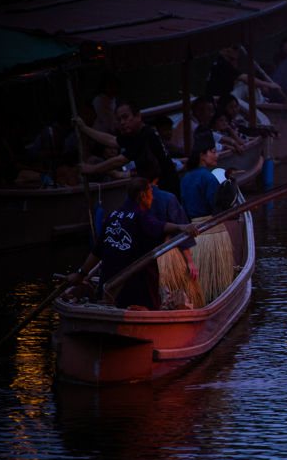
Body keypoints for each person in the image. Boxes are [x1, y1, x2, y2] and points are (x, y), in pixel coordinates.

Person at [66, 178, 198, 310]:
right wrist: (181, 227)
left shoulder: (112, 217)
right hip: (135, 291)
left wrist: (81, 274)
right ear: (142, 195)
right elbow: (161, 227)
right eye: (150, 193)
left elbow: (96, 253)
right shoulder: (140, 217)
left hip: (109, 292)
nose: (152, 197)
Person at [75, 101, 182, 201]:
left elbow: (120, 161)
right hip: (156, 190)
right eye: (119, 119)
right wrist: (84, 128)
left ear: (138, 116)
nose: (122, 123)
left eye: (125, 117)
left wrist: (92, 168)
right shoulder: (136, 135)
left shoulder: (144, 135)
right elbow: (112, 140)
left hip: (166, 191)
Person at [137, 154, 198, 282]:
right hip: (166, 254)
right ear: (157, 177)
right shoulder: (168, 198)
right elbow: (180, 231)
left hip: (139, 257)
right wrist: (190, 261)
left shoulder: (131, 199)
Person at [180, 132, 220, 219]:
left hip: (189, 226)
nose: (217, 155)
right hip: (208, 224)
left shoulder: (185, 178)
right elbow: (216, 207)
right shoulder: (209, 178)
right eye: (213, 152)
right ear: (202, 155)